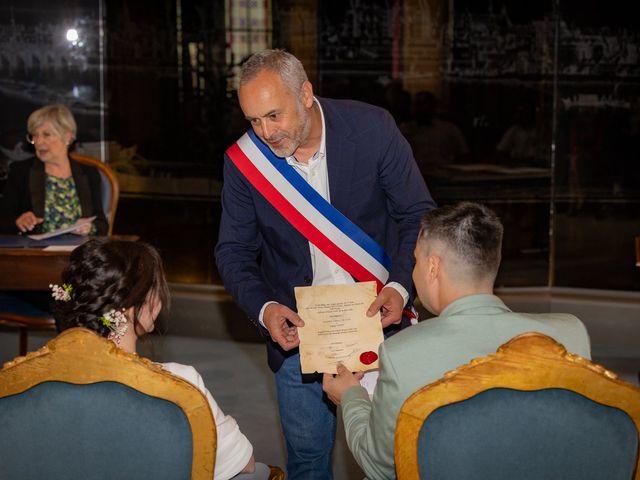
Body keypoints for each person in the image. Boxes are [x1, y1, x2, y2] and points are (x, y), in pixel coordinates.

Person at [215, 49, 435, 479]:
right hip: (298, 336)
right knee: (308, 463)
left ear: (306, 93)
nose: (265, 132)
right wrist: (265, 309)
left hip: (381, 322)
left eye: (274, 116)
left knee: (398, 460)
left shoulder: (371, 129)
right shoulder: (244, 164)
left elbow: (417, 216)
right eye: (253, 120)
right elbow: (233, 252)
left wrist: (401, 287)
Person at [322, 202, 591, 480]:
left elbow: (380, 466)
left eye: (414, 261)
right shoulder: (570, 334)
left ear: (433, 268)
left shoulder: (401, 354)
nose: (413, 272)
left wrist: (351, 396)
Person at [49, 238, 271, 480]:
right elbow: (243, 463)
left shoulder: (32, 385)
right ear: (131, 309)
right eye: (154, 288)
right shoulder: (181, 385)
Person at [0, 104, 108, 235]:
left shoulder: (88, 172)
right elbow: (3, 220)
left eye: (46, 135)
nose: (38, 142)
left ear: (67, 137)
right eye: (34, 135)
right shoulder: (21, 171)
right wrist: (18, 221)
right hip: (37, 252)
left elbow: (102, 223)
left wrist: (90, 227)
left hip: (80, 250)